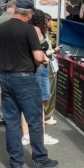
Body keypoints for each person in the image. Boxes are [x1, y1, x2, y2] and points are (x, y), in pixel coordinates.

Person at [0, 0, 59, 168]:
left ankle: (15, 163)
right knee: (35, 120)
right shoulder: (29, 30)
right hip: (25, 78)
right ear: (28, 13)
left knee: (12, 122)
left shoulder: (0, 28)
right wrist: (44, 59)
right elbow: (37, 57)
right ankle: (40, 160)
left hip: (5, 77)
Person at [20, 10, 59, 145]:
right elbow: (38, 52)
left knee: (28, 103)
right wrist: (45, 57)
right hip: (39, 68)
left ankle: (26, 135)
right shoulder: (36, 30)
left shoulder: (25, 29)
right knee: (40, 103)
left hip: (29, 68)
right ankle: (40, 135)